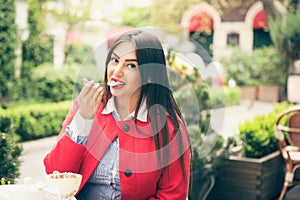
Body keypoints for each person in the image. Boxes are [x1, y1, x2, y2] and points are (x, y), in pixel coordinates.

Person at [44, 29, 191, 200]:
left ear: (150, 76)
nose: (117, 71)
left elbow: (172, 195)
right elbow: (55, 176)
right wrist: (83, 120)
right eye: (114, 60)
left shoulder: (168, 127)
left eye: (130, 65)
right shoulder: (86, 108)